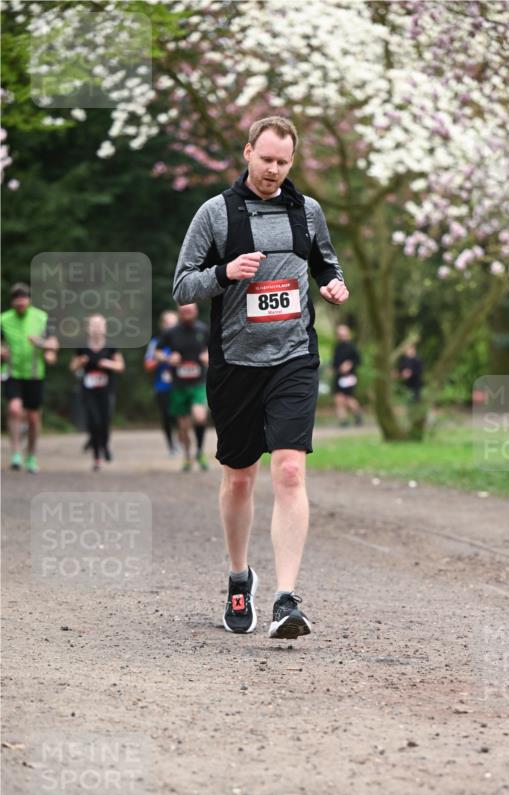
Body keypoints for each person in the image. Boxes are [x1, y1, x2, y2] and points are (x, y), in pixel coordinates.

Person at [172, 115, 348, 638]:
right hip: (235, 363)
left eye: (283, 162)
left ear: (292, 162)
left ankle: (286, 600)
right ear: (247, 152)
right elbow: (183, 285)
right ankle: (238, 576)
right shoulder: (216, 214)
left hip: (293, 357)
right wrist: (225, 273)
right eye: (266, 158)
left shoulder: (307, 212)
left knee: (290, 471)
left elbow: (325, 264)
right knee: (240, 476)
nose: (273, 169)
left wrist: (334, 284)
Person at [1, 282, 58, 472]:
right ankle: (16, 452)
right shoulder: (3, 320)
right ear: (12, 303)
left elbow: (53, 345)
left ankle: (31, 455)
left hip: (34, 375)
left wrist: (41, 344)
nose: (20, 304)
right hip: (12, 373)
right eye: (16, 301)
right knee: (15, 409)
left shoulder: (42, 318)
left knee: (33, 418)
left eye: (23, 300)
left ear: (29, 300)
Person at [155, 303, 209, 471]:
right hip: (178, 384)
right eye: (184, 311)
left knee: (200, 417)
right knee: (184, 426)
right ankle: (187, 457)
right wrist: (167, 357)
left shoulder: (203, 330)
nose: (187, 314)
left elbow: (213, 348)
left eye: (190, 311)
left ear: (196, 312)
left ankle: (199, 451)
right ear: (179, 313)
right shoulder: (170, 333)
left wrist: (208, 355)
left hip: (198, 381)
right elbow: (157, 352)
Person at [70, 315, 125, 471]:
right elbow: (72, 367)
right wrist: (80, 363)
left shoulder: (110, 347)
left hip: (106, 391)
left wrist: (108, 363)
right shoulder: (82, 348)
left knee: (105, 421)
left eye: (100, 325)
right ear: (87, 328)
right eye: (94, 325)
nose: (97, 328)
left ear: (105, 328)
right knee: (93, 421)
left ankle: (105, 445)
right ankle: (97, 457)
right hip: (88, 391)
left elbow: (121, 366)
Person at [144, 309, 178, 454]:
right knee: (166, 416)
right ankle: (171, 445)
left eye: (173, 323)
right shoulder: (155, 343)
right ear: (162, 325)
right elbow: (148, 365)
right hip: (162, 385)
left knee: (182, 416)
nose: (170, 327)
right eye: (167, 323)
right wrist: (162, 359)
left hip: (181, 384)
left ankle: (184, 440)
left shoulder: (183, 339)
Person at [332, 322, 363, 427]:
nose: (342, 336)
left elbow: (358, 360)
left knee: (348, 399)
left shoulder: (352, 347)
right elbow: (335, 363)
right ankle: (343, 421)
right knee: (338, 399)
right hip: (339, 377)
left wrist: (349, 364)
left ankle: (358, 414)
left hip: (349, 377)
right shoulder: (337, 347)